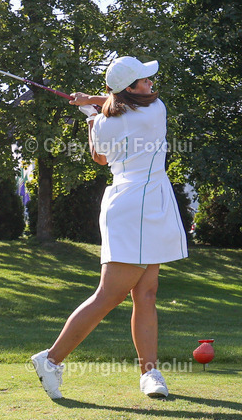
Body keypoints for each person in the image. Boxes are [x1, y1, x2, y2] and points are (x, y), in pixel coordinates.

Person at [30, 56, 188, 399]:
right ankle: (51, 359)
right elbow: (119, 118)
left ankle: (150, 373)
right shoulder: (154, 109)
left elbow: (100, 156)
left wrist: (90, 109)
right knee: (110, 295)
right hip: (134, 208)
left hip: (142, 201)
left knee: (146, 293)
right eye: (144, 81)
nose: (151, 84)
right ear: (130, 89)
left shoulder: (105, 123)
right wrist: (93, 106)